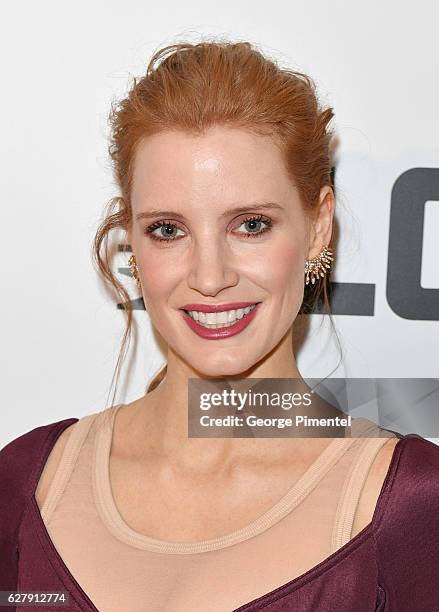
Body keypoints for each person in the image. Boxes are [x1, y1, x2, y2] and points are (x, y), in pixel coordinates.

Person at [1, 40, 438, 612]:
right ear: (131, 238)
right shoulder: (26, 479)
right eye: (167, 229)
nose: (209, 277)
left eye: (251, 225)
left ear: (317, 228)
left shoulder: (414, 504)